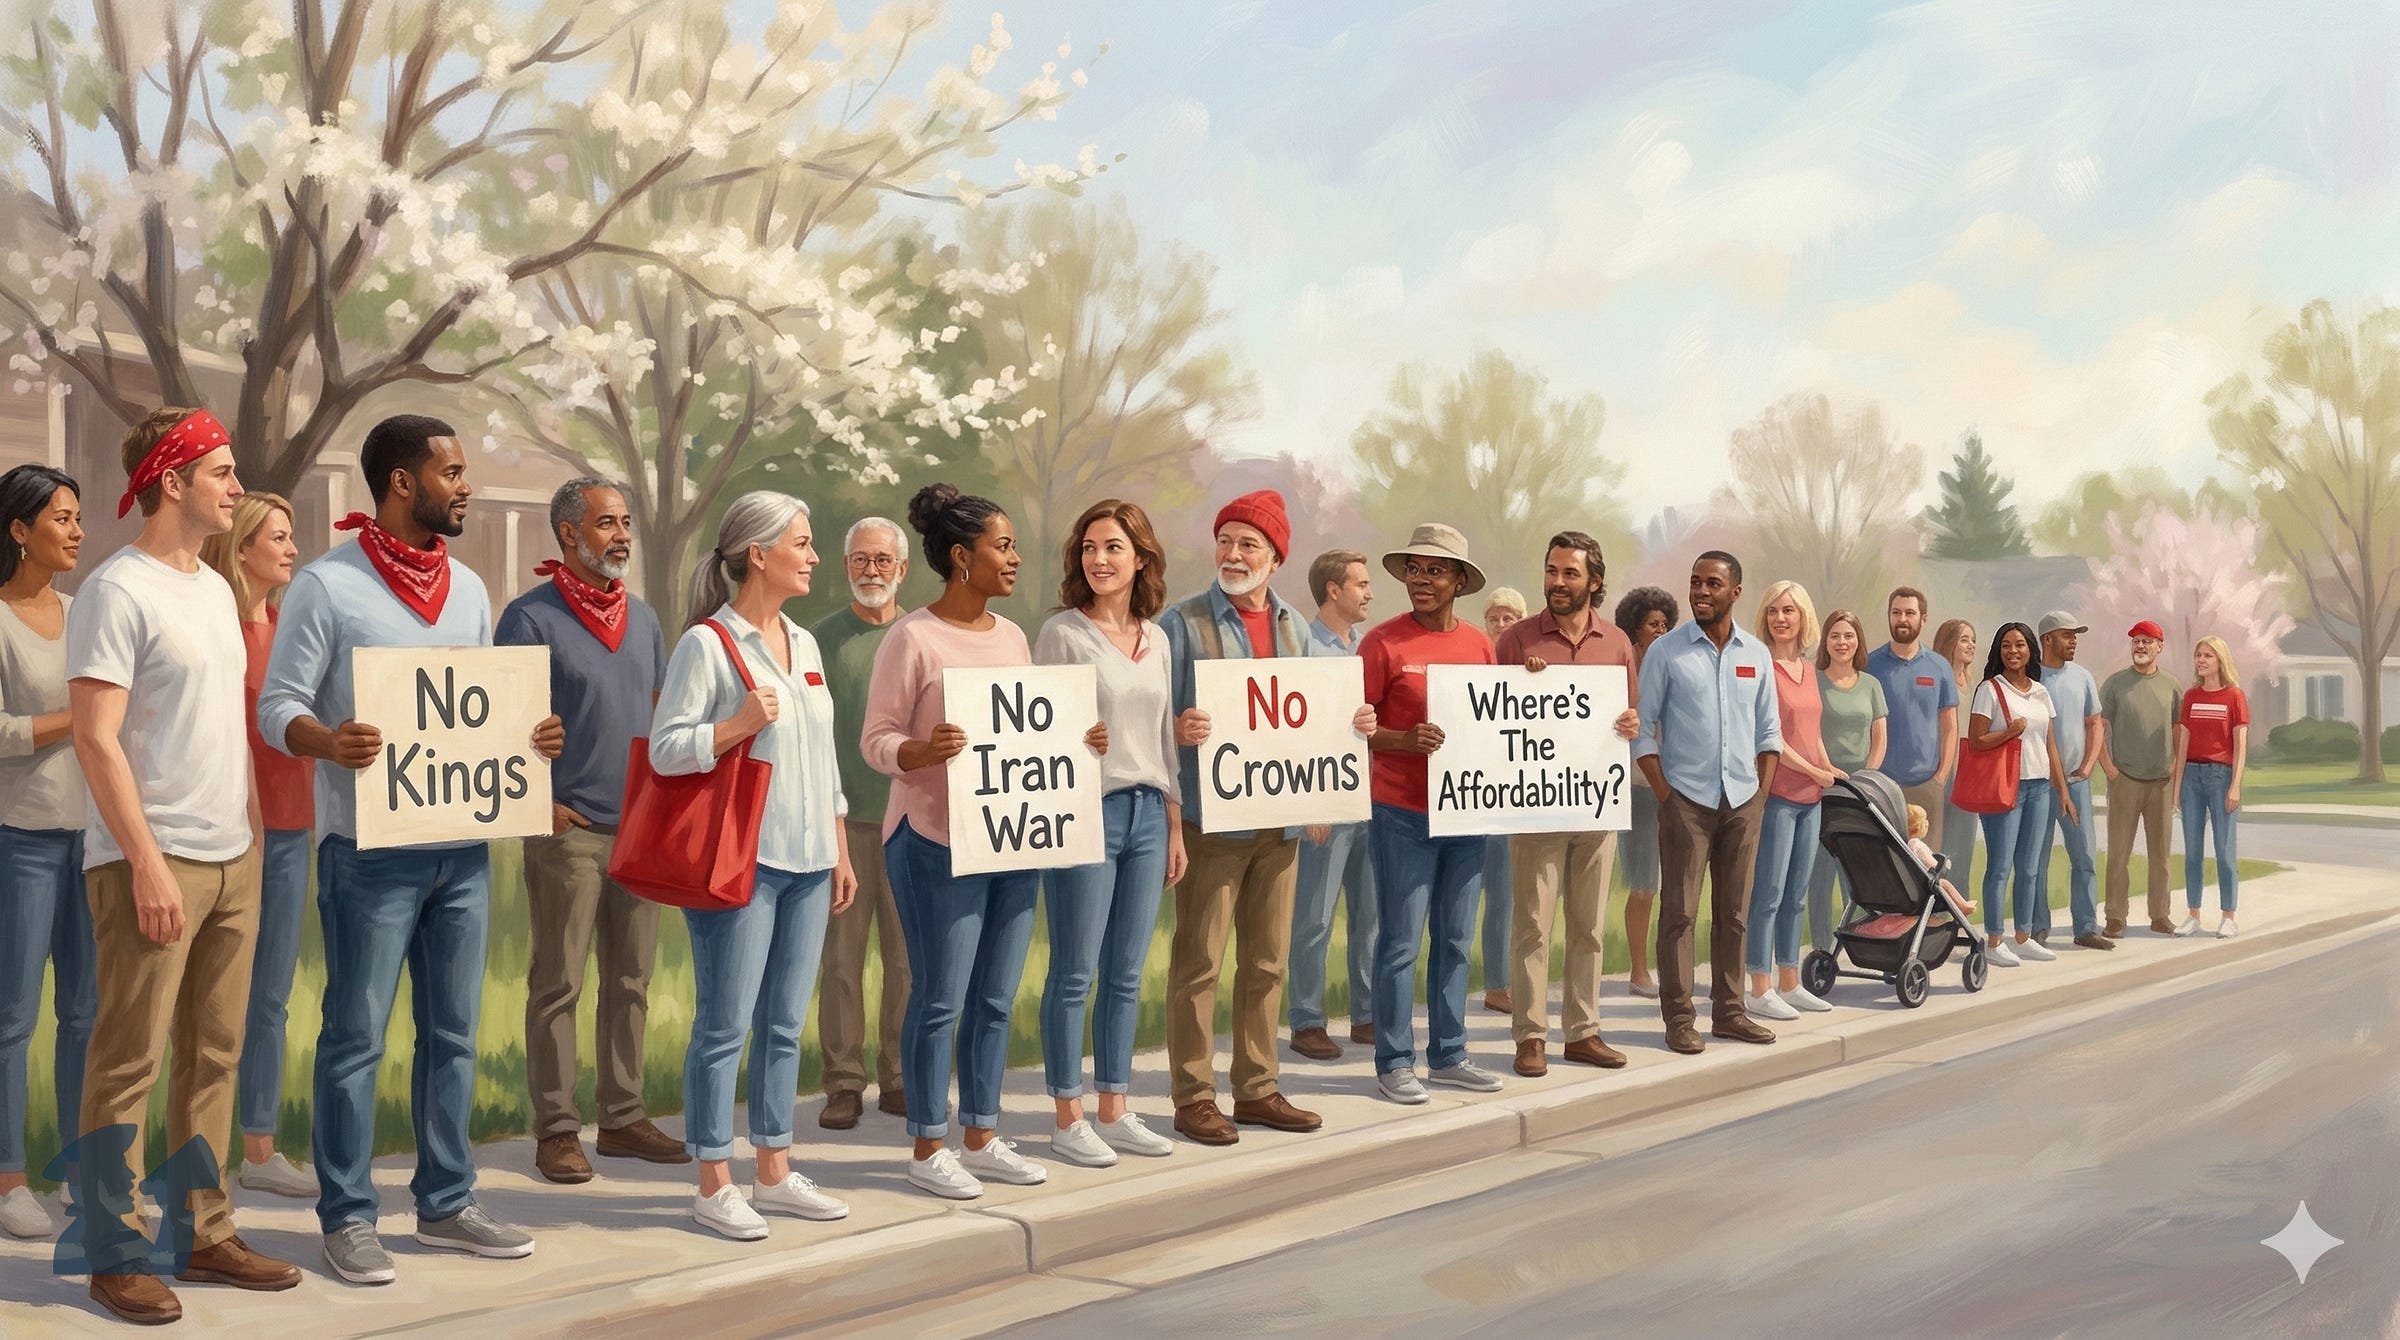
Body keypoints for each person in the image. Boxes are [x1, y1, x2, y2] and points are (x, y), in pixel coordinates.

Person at [259, 414, 561, 1285]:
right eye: (453, 472)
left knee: (455, 1033)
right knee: (354, 1036)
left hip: (462, 849)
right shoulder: (327, 586)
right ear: (402, 481)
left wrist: (528, 736)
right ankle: (348, 1216)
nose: (465, 485)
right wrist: (330, 742)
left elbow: (477, 707)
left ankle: (446, 1201)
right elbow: (277, 707)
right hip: (369, 851)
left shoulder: (468, 588)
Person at [68, 408, 298, 1323]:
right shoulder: (115, 591)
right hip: (148, 864)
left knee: (214, 1056)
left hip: (234, 858)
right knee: (128, 1060)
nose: (237, 489)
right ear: (173, 482)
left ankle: (202, 1234)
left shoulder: (211, 586)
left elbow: (216, 726)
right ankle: (111, 1251)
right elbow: (96, 739)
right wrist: (148, 864)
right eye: (223, 473)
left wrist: (246, 833)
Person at [863, 483, 1106, 1198]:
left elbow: (1027, 733)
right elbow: (876, 740)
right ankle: (927, 1146)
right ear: (961, 557)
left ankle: (982, 1130)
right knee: (941, 995)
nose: (1014, 558)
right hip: (933, 840)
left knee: (996, 998)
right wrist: (921, 750)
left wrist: (1076, 739)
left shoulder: (1013, 638)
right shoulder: (911, 638)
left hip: (1011, 839)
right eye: (1001, 547)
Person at [650, 491, 859, 1240]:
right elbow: (666, 747)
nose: (812, 557)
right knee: (724, 1024)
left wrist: (837, 847)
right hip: (739, 864)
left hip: (808, 861)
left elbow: (824, 754)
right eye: (801, 544)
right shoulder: (708, 644)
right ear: (759, 554)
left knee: (783, 1023)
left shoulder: (804, 644)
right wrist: (736, 726)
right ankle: (713, 1182)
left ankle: (773, 1169)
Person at [496, 477, 681, 1184]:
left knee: (632, 980)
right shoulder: (529, 619)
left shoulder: (646, 618)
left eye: (626, 522)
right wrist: (538, 804)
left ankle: (624, 1117)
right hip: (567, 829)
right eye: (607, 523)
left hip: (637, 829)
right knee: (559, 983)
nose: (621, 536)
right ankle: (557, 1129)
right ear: (568, 535)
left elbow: (660, 715)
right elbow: (502, 726)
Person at [1158, 490, 1353, 1145]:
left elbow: (1318, 716)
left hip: (1282, 823)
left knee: (1267, 962)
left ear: (1275, 558)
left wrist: (1351, 733)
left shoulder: (1298, 628)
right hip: (1212, 823)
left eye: (1249, 545)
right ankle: (1193, 1096)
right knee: (1199, 963)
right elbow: (1149, 717)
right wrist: (1176, 728)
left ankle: (1258, 1088)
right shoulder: (1181, 624)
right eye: (1227, 541)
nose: (1233, 554)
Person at [1032, 499, 1184, 1167]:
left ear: (1140, 558)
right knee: (1074, 971)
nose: (1099, 558)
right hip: (1084, 813)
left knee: (1126, 974)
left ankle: (1115, 1107)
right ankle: (1068, 1116)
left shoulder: (1159, 639)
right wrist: (1073, 737)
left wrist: (1175, 822)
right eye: (1090, 547)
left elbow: (1163, 740)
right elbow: (1034, 733)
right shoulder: (1062, 634)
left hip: (1148, 812)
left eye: (1114, 548)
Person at [197, 493, 321, 1200]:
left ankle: (260, 1146)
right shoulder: (218, 629)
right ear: (242, 548)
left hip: (292, 826)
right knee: (214, 997)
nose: (292, 549)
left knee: (270, 994)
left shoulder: (287, 630)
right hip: (231, 830)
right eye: (278, 537)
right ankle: (199, 1149)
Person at [1363, 524, 1501, 1103]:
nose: (1421, 580)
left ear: (1459, 582)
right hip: (1401, 812)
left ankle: (1449, 1054)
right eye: (1414, 570)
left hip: (1466, 814)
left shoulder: (1479, 645)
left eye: (1435, 571)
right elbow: (1356, 730)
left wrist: (1535, 682)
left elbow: (1499, 719)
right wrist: (1403, 740)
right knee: (1400, 940)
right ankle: (1394, 1060)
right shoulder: (1382, 643)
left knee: (1455, 939)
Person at [1495, 532, 1641, 1078]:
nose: (1557, 582)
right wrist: (1520, 687)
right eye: (1551, 571)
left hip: (1597, 804)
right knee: (1532, 925)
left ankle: (1583, 1031)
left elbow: (1628, 716)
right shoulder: (1517, 639)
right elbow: (1491, 717)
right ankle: (1530, 1036)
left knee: (1588, 926)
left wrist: (1630, 723)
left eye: (1570, 573)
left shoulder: (1617, 642)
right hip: (1535, 806)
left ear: (1594, 581)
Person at [1633, 551, 1782, 1055]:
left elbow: (1769, 733)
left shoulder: (1757, 655)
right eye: (1694, 582)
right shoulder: (1666, 652)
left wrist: (1760, 798)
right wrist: (1666, 797)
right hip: (1686, 802)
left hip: (1743, 800)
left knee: (1734, 914)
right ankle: (1679, 1019)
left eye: (1711, 584)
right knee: (1678, 913)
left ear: (1734, 592)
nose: (1699, 591)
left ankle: (1730, 1013)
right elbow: (1642, 733)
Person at [0, 464, 92, 1241]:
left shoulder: (82, 613)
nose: (76, 531)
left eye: (78, 518)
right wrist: (77, 719)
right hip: (21, 840)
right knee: (12, 1019)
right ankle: (7, 1180)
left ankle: (72, 1171)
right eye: (60, 518)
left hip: (89, 841)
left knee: (86, 1016)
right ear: (19, 530)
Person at [813, 517, 913, 1130]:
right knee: (842, 961)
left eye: (881, 561)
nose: (870, 571)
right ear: (844, 566)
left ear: (903, 569)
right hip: (843, 821)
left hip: (913, 819)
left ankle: (899, 1075)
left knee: (906, 960)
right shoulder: (819, 640)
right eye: (858, 560)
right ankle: (844, 1083)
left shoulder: (924, 633)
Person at [1288, 548, 1376, 1061]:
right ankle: (1306, 1020)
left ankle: (1365, 1016)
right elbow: (1292, 729)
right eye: (1360, 584)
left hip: (1369, 800)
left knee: (1370, 915)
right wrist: (1309, 804)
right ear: (1333, 590)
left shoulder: (1366, 647)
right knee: (1315, 916)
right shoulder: (1301, 647)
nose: (1368, 593)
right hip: (1323, 803)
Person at [1742, 581, 1839, 1022]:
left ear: (1804, 618)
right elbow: (1773, 737)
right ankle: (1759, 987)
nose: (1781, 618)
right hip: (1777, 796)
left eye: (1790, 611)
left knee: (1796, 895)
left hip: (1811, 799)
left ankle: (1789, 981)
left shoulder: (1807, 670)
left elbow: (1811, 730)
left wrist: (1828, 767)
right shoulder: (1761, 666)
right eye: (1774, 610)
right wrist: (1813, 771)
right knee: (1769, 893)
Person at [1964, 622, 2075, 967]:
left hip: (2040, 786)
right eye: (2006, 646)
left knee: (2029, 868)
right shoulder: (1989, 689)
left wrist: (2063, 792)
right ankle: (1995, 940)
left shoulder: (2041, 692)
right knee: (1999, 867)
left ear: (2031, 650)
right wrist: (2010, 733)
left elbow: (2050, 746)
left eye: (2020, 645)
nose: (2013, 652)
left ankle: (2024, 937)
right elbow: (1976, 740)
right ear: (1999, 651)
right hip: (2005, 788)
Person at [1803, 609, 1886, 954]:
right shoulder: (1814, 680)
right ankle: (1822, 949)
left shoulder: (1871, 685)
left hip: (1862, 789)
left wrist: (1866, 778)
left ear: (1858, 642)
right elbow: (1810, 730)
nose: (1842, 642)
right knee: (1820, 874)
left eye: (1848, 636)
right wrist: (1826, 770)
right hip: (1823, 785)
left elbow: (1879, 736)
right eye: (1835, 636)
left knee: (1858, 872)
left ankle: (1862, 946)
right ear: (1826, 641)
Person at [1612, 586, 1679, 998]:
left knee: (1668, 885)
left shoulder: (1671, 667)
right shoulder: (1621, 673)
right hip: (1634, 791)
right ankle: (1639, 970)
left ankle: (1663, 965)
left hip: (1673, 788)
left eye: (1666, 624)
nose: (1662, 630)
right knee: (1642, 884)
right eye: (1654, 624)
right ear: (1635, 629)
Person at [2097, 620, 2182, 936]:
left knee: (2160, 855)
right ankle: (2115, 917)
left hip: (2160, 781)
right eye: (2136, 642)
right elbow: (2098, 727)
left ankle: (2160, 915)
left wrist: (2174, 765)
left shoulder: (2172, 686)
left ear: (2160, 647)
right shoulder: (2116, 684)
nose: (2141, 647)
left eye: (2147, 641)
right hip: (2125, 780)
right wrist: (2109, 769)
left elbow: (2177, 729)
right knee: (2118, 852)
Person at [2032, 611, 2108, 951]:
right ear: (2047, 639)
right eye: (2067, 635)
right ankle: (2036, 927)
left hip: (2077, 782)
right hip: (2038, 784)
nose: (2074, 640)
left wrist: (2089, 765)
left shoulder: (2083, 677)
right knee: (2036, 858)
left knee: (2085, 857)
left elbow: (2095, 723)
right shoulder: (2031, 678)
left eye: (2076, 634)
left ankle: (2086, 927)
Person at [2170, 636, 2249, 938]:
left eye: (2208, 656)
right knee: (2192, 851)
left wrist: (2235, 786)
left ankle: (2228, 915)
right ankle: (2193, 914)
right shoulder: (2191, 696)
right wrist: (2177, 788)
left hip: (2221, 777)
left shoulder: (2234, 696)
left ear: (2221, 661)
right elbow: (2184, 744)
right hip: (2191, 776)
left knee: (2224, 851)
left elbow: (2240, 744)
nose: (2201, 660)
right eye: (2198, 655)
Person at [1867, 588, 1958, 848]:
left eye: (1909, 613)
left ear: (1923, 618)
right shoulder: (1870, 665)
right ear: (1889, 616)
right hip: (1882, 785)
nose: (1902, 619)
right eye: (1896, 613)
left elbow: (1949, 726)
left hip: (1926, 784)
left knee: (1925, 867)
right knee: (1882, 864)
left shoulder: (1939, 666)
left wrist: (1940, 777)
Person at [1474, 587, 1527, 1012]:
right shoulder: (1471, 662)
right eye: (1495, 617)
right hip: (1469, 796)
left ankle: (1498, 984)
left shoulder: (1528, 670)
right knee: (1462, 894)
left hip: (1510, 800)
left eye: (1510, 618)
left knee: (1504, 895)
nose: (1501, 624)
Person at [1931, 619, 1980, 918]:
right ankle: (1937, 914)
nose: (1971, 645)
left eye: (1972, 639)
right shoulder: (1938, 679)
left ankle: (1959, 916)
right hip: (1944, 770)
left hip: (1969, 774)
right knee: (1942, 847)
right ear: (1949, 642)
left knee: (1964, 847)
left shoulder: (1971, 684)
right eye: (1964, 639)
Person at [1903, 804, 1973, 917]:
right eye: (1924, 822)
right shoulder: (1916, 844)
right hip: (1923, 883)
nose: (1927, 823)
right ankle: (1962, 906)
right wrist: (1940, 865)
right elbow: (1932, 864)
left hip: (1911, 882)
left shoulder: (1903, 843)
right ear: (1917, 829)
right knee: (1944, 884)